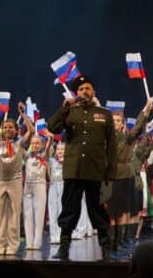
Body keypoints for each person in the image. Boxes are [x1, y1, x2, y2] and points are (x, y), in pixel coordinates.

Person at [47, 75, 117, 261]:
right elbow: (52, 127)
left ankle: (106, 249)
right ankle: (64, 247)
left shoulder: (104, 114)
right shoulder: (70, 111)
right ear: (76, 93)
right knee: (69, 209)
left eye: (87, 88)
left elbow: (111, 145)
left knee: (98, 210)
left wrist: (111, 171)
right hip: (74, 170)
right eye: (80, 89)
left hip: (95, 170)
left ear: (94, 92)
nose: (84, 91)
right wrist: (64, 107)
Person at [0, 101, 34, 256]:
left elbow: (31, 130)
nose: (7, 129)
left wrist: (23, 114)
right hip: (0, 181)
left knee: (14, 214)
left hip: (15, 181)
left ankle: (13, 245)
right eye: (5, 127)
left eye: (11, 127)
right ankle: (1, 245)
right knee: (0, 214)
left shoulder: (20, 144)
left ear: (16, 130)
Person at [107, 99, 151, 254]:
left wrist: (145, 111)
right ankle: (111, 242)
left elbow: (138, 128)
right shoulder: (104, 138)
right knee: (111, 212)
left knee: (122, 211)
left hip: (124, 177)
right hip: (108, 177)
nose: (115, 123)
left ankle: (119, 241)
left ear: (122, 124)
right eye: (113, 120)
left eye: (118, 121)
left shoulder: (128, 139)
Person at [23, 133, 52, 250]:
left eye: (37, 143)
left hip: (39, 185)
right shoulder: (27, 156)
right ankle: (29, 242)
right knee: (27, 215)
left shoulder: (44, 156)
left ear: (41, 145)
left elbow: (48, 148)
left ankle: (37, 242)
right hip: (27, 186)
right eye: (33, 143)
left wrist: (50, 139)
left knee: (39, 215)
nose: (35, 145)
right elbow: (19, 146)